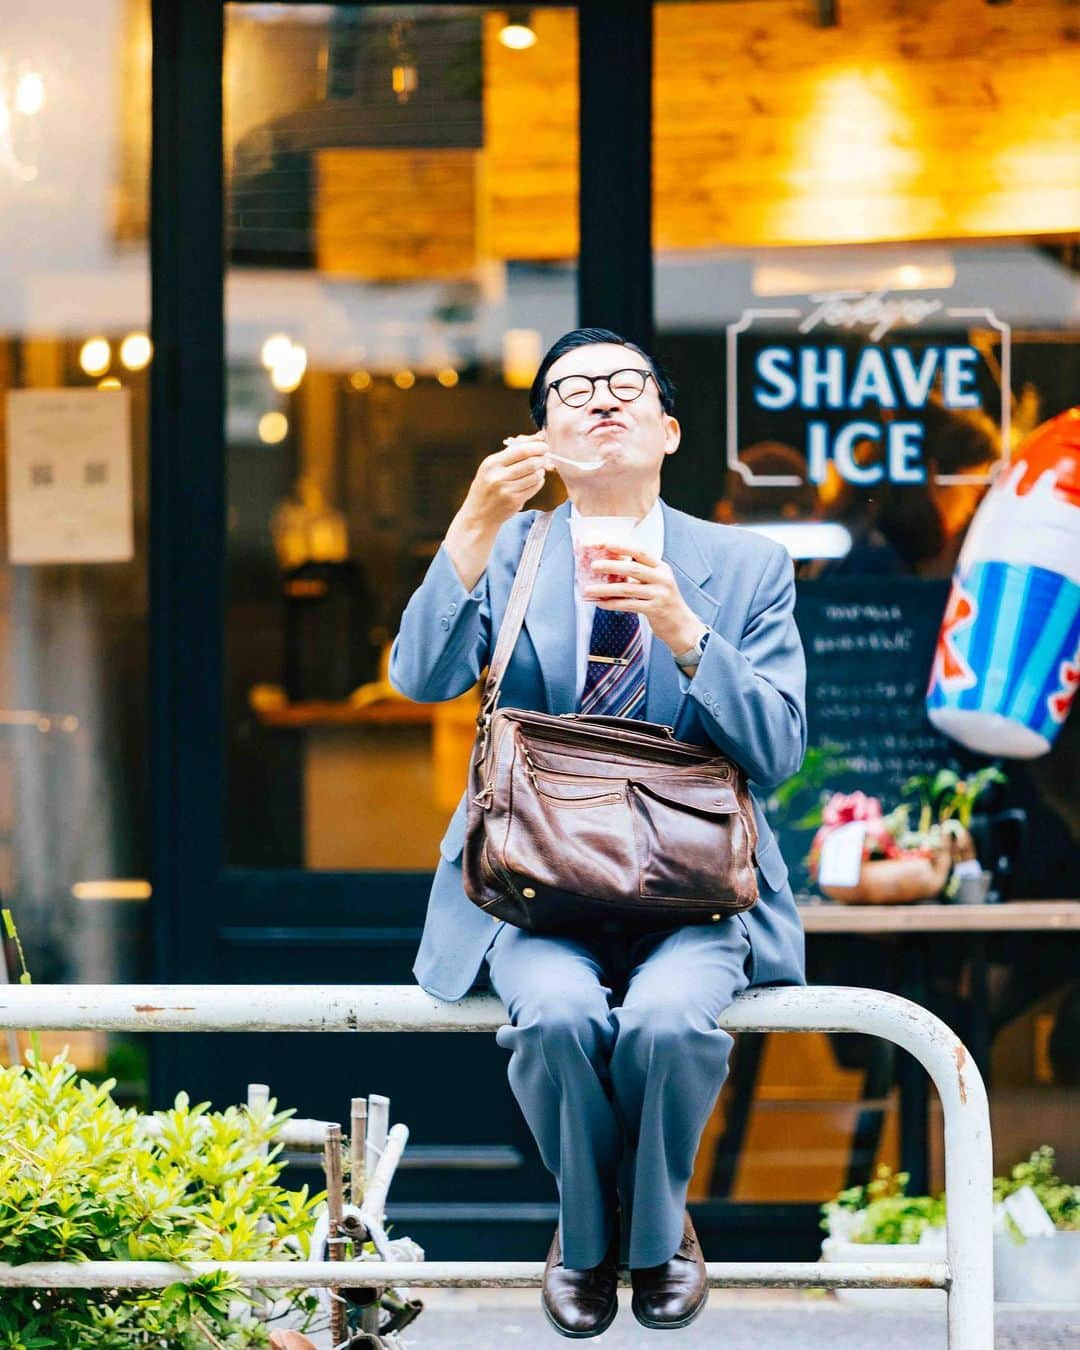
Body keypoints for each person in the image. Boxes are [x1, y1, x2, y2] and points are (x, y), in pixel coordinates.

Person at [389, 328, 807, 1336]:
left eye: (627, 385)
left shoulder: (746, 565)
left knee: (669, 1023)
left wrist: (684, 632)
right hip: (538, 883)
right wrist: (472, 525)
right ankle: (594, 1236)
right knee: (557, 1019)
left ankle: (646, 1238)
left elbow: (780, 748)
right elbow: (420, 677)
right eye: (571, 390)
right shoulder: (512, 554)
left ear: (668, 429)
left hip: (695, 888)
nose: (601, 400)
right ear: (542, 435)